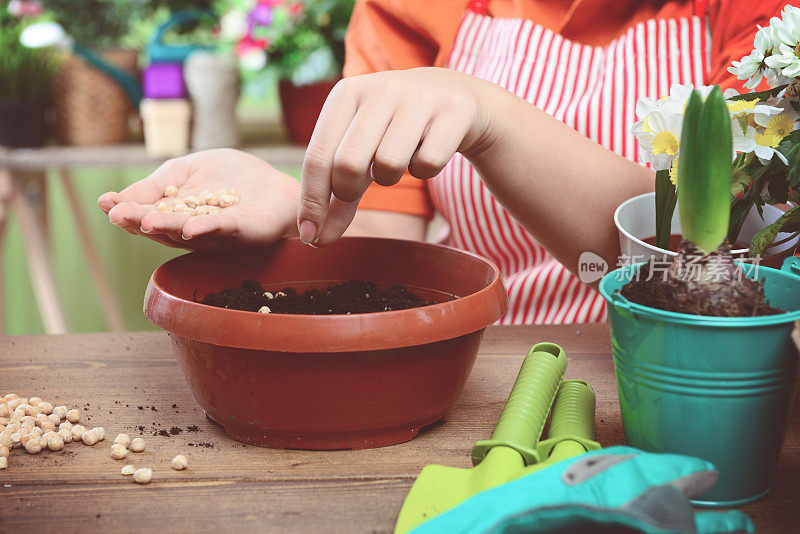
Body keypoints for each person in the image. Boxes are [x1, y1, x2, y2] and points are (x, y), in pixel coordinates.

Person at [98, 0, 784, 324]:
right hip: (489, 376)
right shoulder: (414, 8)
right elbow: (386, 264)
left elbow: (699, 255)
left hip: (689, 380)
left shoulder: (760, 18)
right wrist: (295, 215)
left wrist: (488, 114)